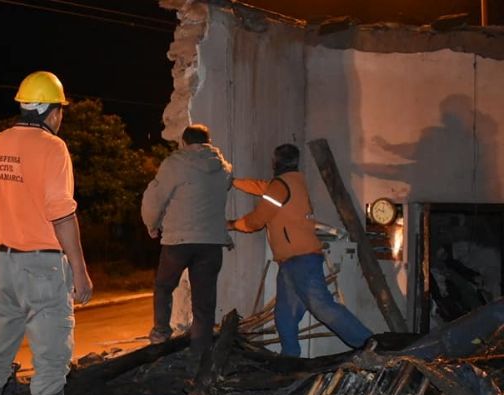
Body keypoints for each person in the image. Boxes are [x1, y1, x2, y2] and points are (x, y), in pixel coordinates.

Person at [0, 71, 92, 395]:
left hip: (0, 267)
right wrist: (81, 272)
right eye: (60, 110)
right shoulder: (53, 149)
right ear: (52, 111)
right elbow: (62, 215)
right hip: (44, 269)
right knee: (51, 363)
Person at [228, 143, 372, 357]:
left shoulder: (280, 185)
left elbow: (257, 220)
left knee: (321, 306)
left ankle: (368, 343)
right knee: (285, 315)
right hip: (292, 261)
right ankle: (290, 360)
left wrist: (232, 224)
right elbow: (263, 188)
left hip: (300, 259)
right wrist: (235, 183)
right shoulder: (293, 182)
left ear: (275, 162)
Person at [141, 124, 233, 356]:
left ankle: (161, 333)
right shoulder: (223, 168)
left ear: (183, 142)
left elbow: (155, 198)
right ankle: (200, 353)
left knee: (163, 286)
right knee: (204, 302)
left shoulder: (175, 164)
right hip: (211, 243)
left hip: (177, 241)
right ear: (208, 142)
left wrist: (152, 225)